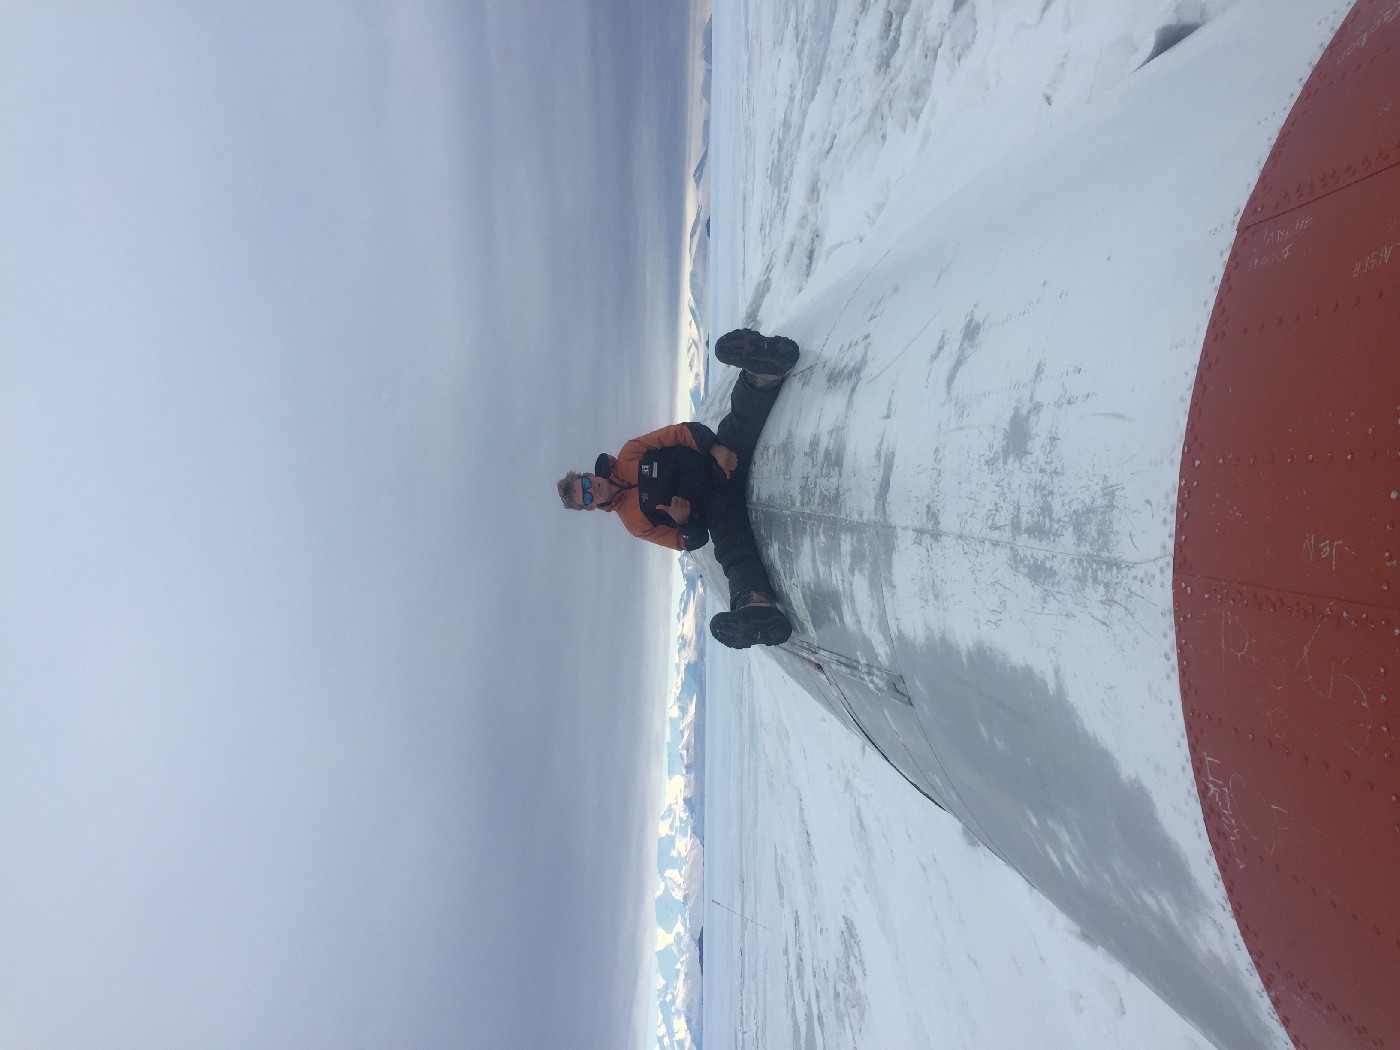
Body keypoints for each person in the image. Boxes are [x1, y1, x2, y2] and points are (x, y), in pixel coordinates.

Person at [557, 329, 799, 649]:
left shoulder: (631, 452)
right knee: (730, 549)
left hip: (717, 464)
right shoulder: (634, 523)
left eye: (586, 484)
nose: (593, 490)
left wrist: (713, 449)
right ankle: (755, 607)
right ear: (589, 507)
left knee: (737, 425)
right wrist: (684, 524)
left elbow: (682, 433)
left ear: (588, 474)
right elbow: (687, 542)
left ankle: (763, 371)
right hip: (715, 509)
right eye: (586, 497)